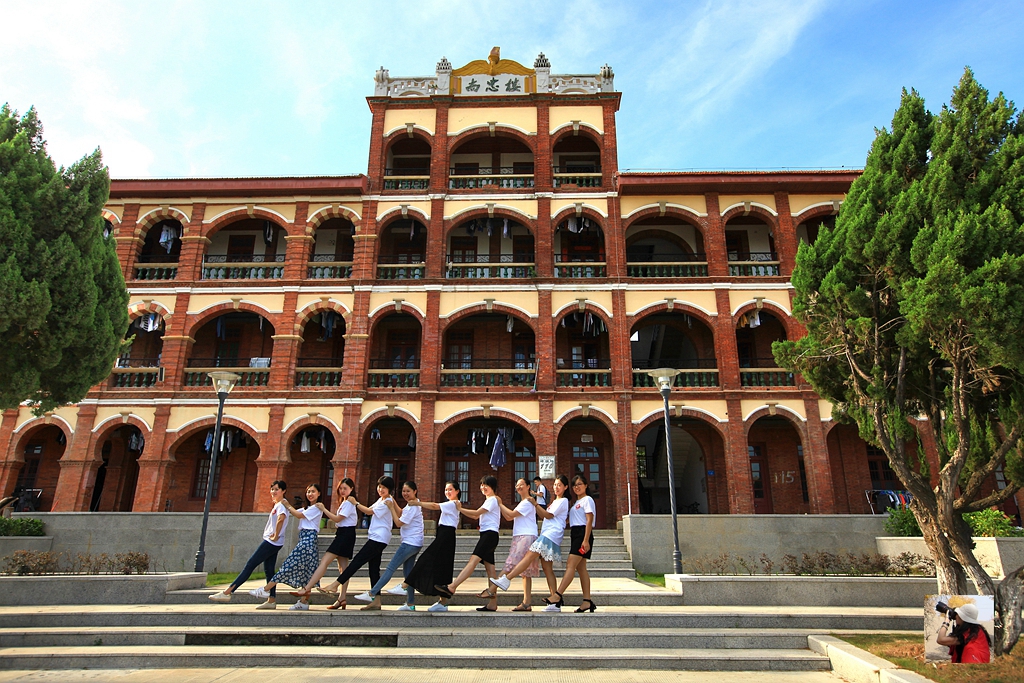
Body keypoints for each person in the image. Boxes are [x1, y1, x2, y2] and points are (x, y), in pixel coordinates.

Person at [489, 474, 568, 610]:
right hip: (546, 533)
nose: (556, 487)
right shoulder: (554, 502)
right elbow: (542, 515)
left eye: (559, 485)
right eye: (555, 485)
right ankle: (554, 602)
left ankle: (506, 580)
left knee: (528, 557)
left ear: (565, 487)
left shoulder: (563, 501)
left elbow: (547, 515)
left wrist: (535, 503)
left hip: (550, 535)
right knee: (547, 569)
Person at [208, 480, 288, 608]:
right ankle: (271, 600)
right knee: (269, 570)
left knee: (250, 565)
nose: (273, 492)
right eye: (272, 489)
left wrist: (276, 535)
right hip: (275, 542)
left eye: (277, 489)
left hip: (271, 542)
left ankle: (228, 592)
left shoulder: (281, 505)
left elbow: (281, 518)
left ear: (283, 491)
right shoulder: (279, 504)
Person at [248, 484, 324, 610]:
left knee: (288, 565)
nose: (310, 494)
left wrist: (287, 504)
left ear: (319, 493)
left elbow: (298, 515)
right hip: (304, 538)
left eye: (313, 492)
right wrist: (281, 505)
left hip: (308, 540)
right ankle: (304, 602)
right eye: (308, 491)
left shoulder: (317, 507)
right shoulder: (307, 508)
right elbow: (294, 512)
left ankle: (266, 589)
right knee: (307, 571)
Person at [435, 475, 502, 612]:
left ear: (493, 487)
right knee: (490, 570)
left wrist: (460, 508)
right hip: (488, 534)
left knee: (473, 561)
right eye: (482, 485)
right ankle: (492, 603)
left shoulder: (492, 500)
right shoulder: (489, 500)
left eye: (486, 485)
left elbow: (476, 514)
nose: (483, 487)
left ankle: (452, 587)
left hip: (489, 535)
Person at [328, 476, 396, 610]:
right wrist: (357, 505)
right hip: (376, 536)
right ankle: (377, 601)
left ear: (390, 489)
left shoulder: (387, 501)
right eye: (379, 487)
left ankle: (335, 584)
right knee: (373, 569)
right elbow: (369, 508)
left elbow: (369, 512)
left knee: (357, 561)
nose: (380, 489)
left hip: (379, 538)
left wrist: (356, 503)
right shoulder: (381, 500)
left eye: (384, 487)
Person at [288, 478, 358, 609]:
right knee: (343, 569)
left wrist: (324, 509)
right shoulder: (345, 502)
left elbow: (337, 519)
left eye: (345, 488)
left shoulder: (349, 502)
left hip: (345, 535)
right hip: (344, 534)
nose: (342, 491)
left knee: (325, 561)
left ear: (351, 489)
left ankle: (307, 588)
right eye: (340, 488)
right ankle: (342, 598)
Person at [354, 480, 423, 611]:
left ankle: (372, 593)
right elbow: (401, 512)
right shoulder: (411, 504)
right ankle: (410, 604)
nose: (405, 493)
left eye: (408, 491)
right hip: (414, 543)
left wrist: (391, 508)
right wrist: (392, 501)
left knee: (390, 568)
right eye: (403, 491)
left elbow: (399, 523)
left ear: (415, 491)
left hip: (410, 543)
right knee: (408, 573)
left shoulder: (414, 506)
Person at [401, 481, 463, 612]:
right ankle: (443, 602)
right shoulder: (453, 504)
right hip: (444, 534)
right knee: (442, 567)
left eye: (450, 489)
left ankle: (405, 585)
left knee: (426, 558)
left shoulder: (452, 503)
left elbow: (435, 506)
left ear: (457, 491)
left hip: (446, 535)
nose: (447, 492)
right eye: (446, 490)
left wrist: (418, 503)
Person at [482, 478, 539, 611]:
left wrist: (500, 503)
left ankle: (491, 590)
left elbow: (511, 514)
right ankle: (526, 603)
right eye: (517, 485)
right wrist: (500, 505)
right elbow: (509, 517)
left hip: (525, 536)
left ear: (528, 486)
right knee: (525, 572)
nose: (518, 487)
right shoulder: (523, 503)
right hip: (522, 535)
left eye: (521, 484)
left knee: (510, 563)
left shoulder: (528, 502)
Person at [554, 474, 597, 613]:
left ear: (586, 485)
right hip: (575, 534)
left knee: (570, 565)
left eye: (579, 484)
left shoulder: (587, 500)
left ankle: (558, 595)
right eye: (574, 485)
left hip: (582, 535)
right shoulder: (575, 503)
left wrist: (585, 540)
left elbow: (589, 520)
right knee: (581, 569)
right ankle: (587, 601)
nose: (577, 487)